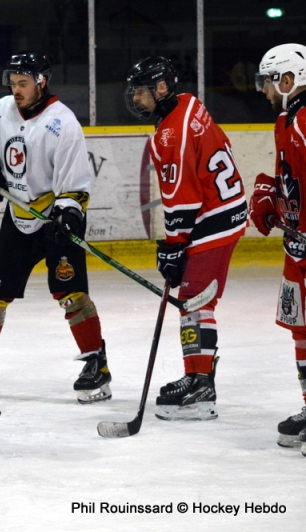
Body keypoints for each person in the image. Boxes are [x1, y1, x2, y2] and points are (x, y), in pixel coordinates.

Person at [0, 51, 112, 405]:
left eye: (23, 83)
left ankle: (96, 365)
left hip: (56, 220)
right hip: (17, 217)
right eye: (12, 83)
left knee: (73, 296)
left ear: (42, 82)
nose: (16, 90)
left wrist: (67, 215)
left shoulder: (63, 123)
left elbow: (75, 183)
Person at [125, 56, 248, 421]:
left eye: (142, 92)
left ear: (161, 89)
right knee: (195, 297)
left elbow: (184, 196)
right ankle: (201, 374)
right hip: (223, 207)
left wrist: (174, 246)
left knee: (194, 299)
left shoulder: (169, 134)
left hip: (214, 216)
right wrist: (175, 244)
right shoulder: (189, 102)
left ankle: (199, 386)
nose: (136, 99)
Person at [251, 43, 306, 451]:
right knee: (300, 331)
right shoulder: (286, 121)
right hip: (297, 246)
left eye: (269, 82)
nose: (264, 90)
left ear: (288, 80)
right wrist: (273, 198)